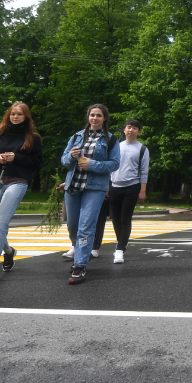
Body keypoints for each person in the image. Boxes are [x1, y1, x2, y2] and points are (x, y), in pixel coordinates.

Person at [0, 103, 43, 286]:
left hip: (18, 182)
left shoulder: (33, 138)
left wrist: (17, 158)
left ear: (26, 117)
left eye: (19, 114)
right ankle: (9, 251)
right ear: (8, 115)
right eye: (13, 114)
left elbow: (36, 163)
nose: (15, 117)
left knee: (0, 222)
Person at [60, 104, 121, 284]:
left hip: (95, 188)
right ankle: (78, 249)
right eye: (92, 115)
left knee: (86, 225)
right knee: (72, 226)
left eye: (98, 116)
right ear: (88, 117)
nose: (94, 118)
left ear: (104, 119)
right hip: (74, 186)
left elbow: (115, 164)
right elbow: (64, 160)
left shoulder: (111, 140)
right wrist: (71, 156)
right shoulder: (77, 136)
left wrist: (92, 164)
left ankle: (80, 265)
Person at [107, 119, 149, 264]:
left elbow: (144, 171)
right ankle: (122, 242)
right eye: (128, 127)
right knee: (115, 218)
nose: (131, 130)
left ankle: (119, 249)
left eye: (134, 128)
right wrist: (107, 186)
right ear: (124, 130)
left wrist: (142, 191)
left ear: (139, 132)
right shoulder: (116, 147)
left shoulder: (142, 149)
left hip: (132, 187)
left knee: (125, 218)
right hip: (114, 186)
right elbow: (109, 167)